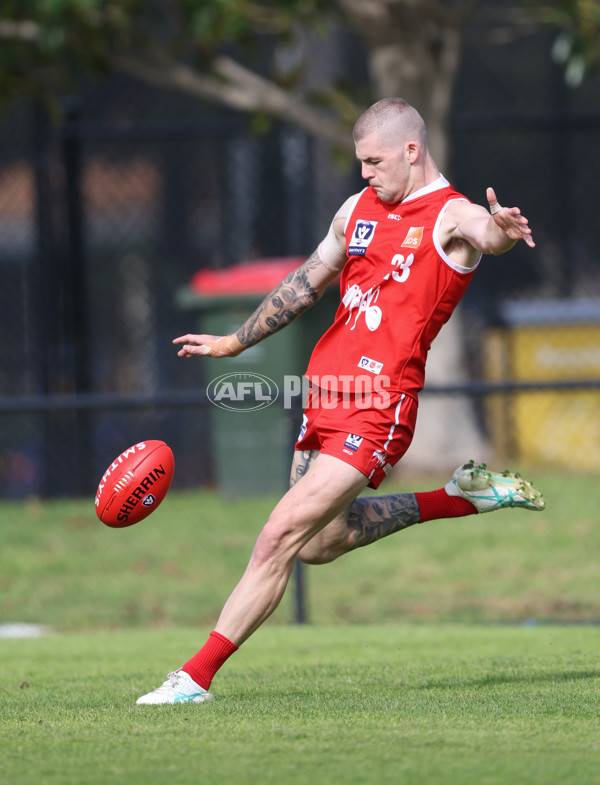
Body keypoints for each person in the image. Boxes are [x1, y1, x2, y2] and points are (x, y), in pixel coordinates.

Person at [136, 97, 544, 705]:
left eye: (374, 161)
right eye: (359, 162)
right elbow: (304, 284)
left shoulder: (450, 215)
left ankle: (193, 677)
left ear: (412, 150)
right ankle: (459, 496)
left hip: (379, 409)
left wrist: (502, 232)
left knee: (277, 535)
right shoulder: (356, 209)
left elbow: (484, 233)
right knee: (321, 544)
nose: (364, 173)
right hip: (323, 397)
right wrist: (231, 340)